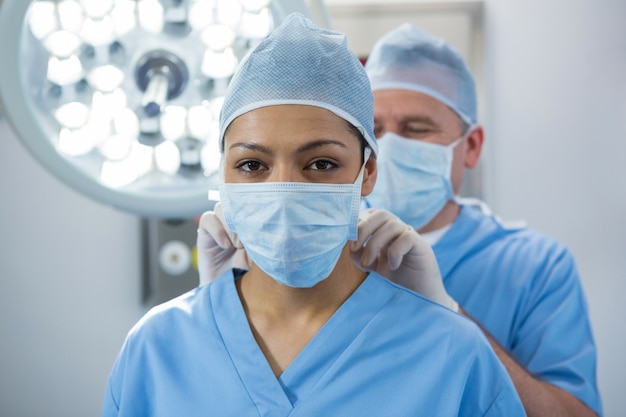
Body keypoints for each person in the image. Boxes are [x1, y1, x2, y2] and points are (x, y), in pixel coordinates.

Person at [103, 13, 526, 416]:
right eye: (252, 165)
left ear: (367, 173)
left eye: (321, 163)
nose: (284, 190)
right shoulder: (157, 346)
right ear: (223, 175)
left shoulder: (452, 353)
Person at [197, 23, 602, 417]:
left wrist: (446, 310)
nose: (390, 147)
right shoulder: (304, 244)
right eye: (376, 129)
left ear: (472, 145)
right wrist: (226, 310)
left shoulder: (532, 266)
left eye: (416, 129)